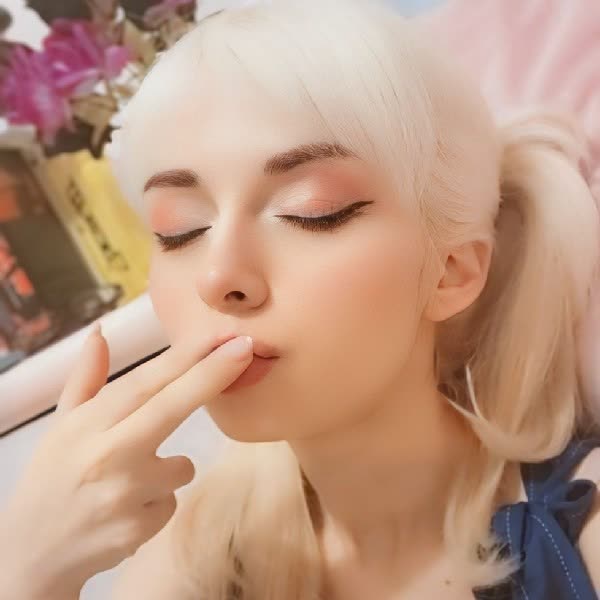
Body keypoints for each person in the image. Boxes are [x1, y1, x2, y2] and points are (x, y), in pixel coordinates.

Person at [1, 0, 600, 598]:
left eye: (309, 212)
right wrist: (32, 568)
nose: (219, 275)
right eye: (180, 228)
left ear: (451, 272)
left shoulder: (581, 533)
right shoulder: (200, 553)